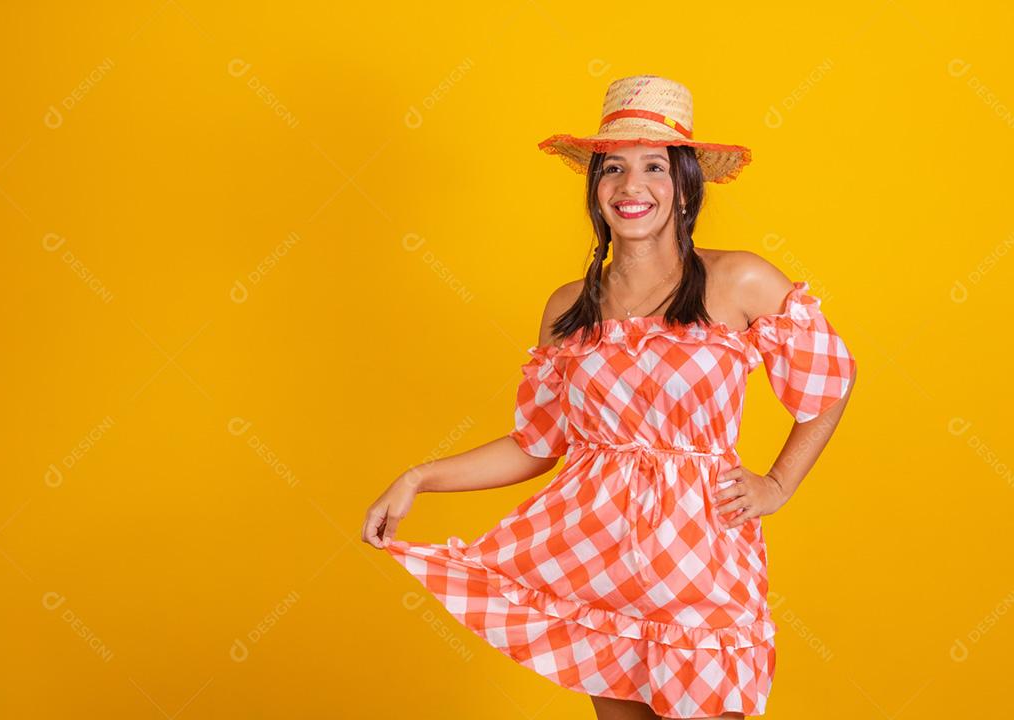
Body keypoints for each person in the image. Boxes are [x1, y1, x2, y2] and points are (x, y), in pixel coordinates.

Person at [362, 74, 857, 719]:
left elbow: (831, 381)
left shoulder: (738, 279)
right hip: (595, 554)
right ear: (594, 188)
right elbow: (538, 445)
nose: (632, 187)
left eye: (655, 167)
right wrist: (418, 478)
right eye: (613, 169)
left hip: (699, 558)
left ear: (684, 185)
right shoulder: (570, 307)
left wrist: (779, 484)